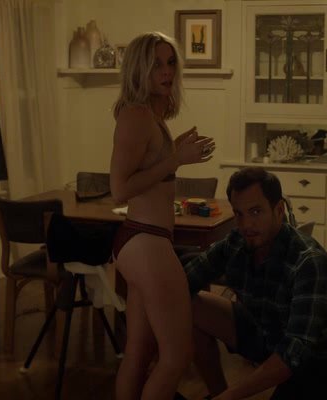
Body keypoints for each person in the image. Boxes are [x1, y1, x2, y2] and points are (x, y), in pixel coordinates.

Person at [182, 167, 327, 400]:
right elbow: (183, 283)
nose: (246, 224)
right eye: (239, 213)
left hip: (317, 358)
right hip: (265, 332)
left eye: (255, 211)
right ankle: (217, 393)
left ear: (279, 210)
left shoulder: (308, 261)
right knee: (188, 303)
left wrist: (231, 396)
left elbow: (294, 352)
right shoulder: (236, 241)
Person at [109, 32, 215, 400]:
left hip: (143, 240)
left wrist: (173, 152)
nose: (167, 71)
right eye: (156, 64)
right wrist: (175, 160)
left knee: (139, 353)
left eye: (170, 63)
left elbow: (150, 172)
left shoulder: (152, 117)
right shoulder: (136, 116)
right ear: (139, 69)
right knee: (177, 356)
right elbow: (120, 189)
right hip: (146, 241)